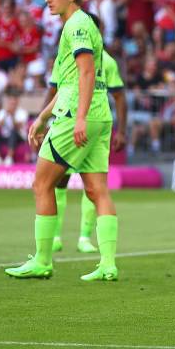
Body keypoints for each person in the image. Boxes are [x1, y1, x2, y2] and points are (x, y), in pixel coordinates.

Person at [5, 0, 119, 281]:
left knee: (42, 184)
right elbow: (70, 81)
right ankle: (108, 263)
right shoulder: (80, 24)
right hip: (99, 114)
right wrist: (42, 117)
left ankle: (42, 260)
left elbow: (84, 74)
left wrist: (79, 117)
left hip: (76, 116)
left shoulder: (78, 25)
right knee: (97, 190)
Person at [49, 13, 127, 254]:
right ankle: (55, 237)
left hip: (88, 121)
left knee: (90, 183)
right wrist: (45, 120)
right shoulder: (66, 58)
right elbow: (54, 90)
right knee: (60, 180)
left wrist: (122, 131)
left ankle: (83, 237)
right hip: (69, 119)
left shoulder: (107, 61)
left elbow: (119, 96)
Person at [0, 88, 28, 166]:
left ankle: (9, 158)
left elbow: (18, 127)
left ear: (17, 102)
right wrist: (6, 115)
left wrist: (12, 115)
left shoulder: (22, 112)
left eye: (14, 101)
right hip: (5, 136)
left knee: (13, 131)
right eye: (10, 100)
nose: (12, 103)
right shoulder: (2, 112)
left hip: (18, 136)